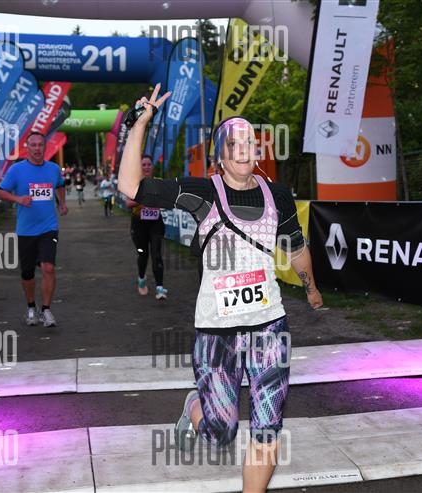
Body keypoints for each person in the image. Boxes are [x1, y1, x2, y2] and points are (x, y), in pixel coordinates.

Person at [118, 85, 323, 493]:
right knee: (220, 432)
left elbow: (297, 248)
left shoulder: (278, 195)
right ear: (221, 156)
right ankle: (195, 406)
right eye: (234, 143)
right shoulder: (203, 193)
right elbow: (131, 187)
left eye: (249, 141)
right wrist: (140, 123)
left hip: (269, 326)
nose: (243, 149)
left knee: (268, 427)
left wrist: (311, 288)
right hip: (217, 332)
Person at [0, 131, 68, 327]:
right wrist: (18, 199)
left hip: (49, 227)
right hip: (26, 230)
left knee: (48, 267)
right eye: (33, 145)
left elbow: (60, 185)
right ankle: (31, 307)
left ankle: (46, 310)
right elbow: (0, 192)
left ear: (45, 147)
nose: (37, 148)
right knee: (27, 272)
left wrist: (62, 203)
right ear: (27, 148)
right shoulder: (16, 170)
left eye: (40, 145)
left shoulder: (53, 169)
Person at [126, 156, 168, 300]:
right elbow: (128, 203)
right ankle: (141, 278)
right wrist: (143, 200)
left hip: (155, 222)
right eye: (143, 165)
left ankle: (160, 288)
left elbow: (166, 199)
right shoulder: (134, 183)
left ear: (152, 167)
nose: (146, 167)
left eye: (149, 164)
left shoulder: (158, 182)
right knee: (143, 254)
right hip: (139, 224)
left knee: (156, 254)